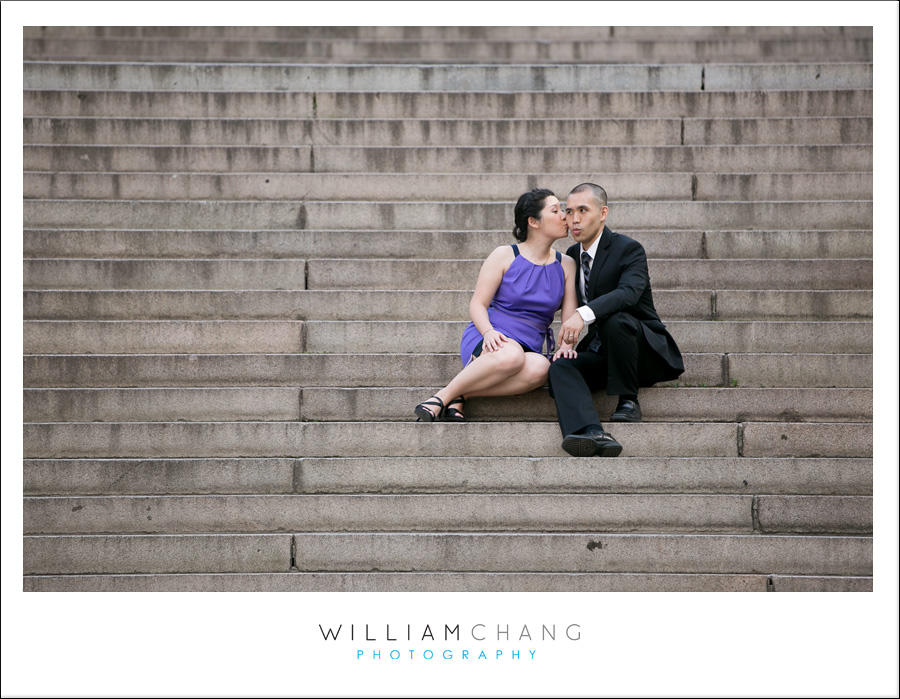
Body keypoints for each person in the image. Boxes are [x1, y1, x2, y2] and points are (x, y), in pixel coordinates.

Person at [414, 188, 579, 422]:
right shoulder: (504, 255)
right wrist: (488, 332)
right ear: (533, 221)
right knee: (510, 355)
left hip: (529, 344)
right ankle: (440, 398)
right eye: (556, 210)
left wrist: (567, 346)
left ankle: (460, 394)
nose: (565, 216)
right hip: (491, 336)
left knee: (542, 368)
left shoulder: (567, 264)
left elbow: (569, 321)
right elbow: (477, 305)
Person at [548, 183, 685, 457]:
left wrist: (581, 316)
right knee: (560, 366)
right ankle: (589, 431)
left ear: (603, 213)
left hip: (640, 351)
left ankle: (628, 402)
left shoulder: (628, 249)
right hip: (602, 351)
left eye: (583, 211)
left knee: (616, 319)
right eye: (570, 212)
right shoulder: (572, 256)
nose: (574, 219)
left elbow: (628, 294)